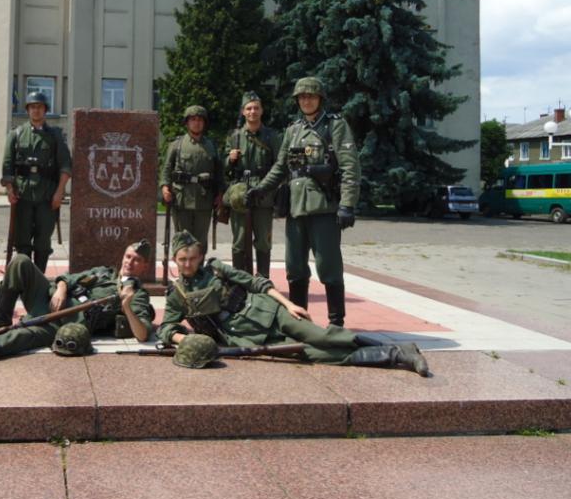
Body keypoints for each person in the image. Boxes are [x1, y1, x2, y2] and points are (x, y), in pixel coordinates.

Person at [157, 231, 429, 375]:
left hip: (271, 311)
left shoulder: (216, 268)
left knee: (321, 336)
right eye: (182, 259)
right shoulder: (177, 293)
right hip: (247, 336)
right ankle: (395, 355)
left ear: (200, 256)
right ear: (175, 260)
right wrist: (184, 339)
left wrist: (288, 304)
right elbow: (166, 328)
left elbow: (255, 283)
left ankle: (398, 350)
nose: (188, 264)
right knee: (314, 354)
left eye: (192, 258)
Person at [0, 239, 157, 370]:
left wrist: (126, 306)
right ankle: (0, 319)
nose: (130, 262)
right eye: (128, 256)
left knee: (19, 338)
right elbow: (68, 277)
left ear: (145, 266)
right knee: (21, 261)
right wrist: (61, 287)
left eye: (137, 260)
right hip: (47, 299)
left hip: (60, 323)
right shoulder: (102, 272)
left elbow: (142, 334)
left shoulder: (137, 295)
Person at [249, 76, 360, 327]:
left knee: (329, 266)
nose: (306, 101)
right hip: (296, 208)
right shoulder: (293, 130)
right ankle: (299, 320)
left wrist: (347, 204)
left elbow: (350, 167)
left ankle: (336, 322)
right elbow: (281, 167)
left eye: (310, 96)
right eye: (301, 97)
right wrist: (261, 189)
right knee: (295, 267)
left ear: (320, 99)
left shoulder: (335, 126)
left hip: (324, 208)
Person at [0, 90, 72, 272]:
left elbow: (66, 166)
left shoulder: (55, 135)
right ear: (27, 110)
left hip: (47, 195)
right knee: (22, 240)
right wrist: (10, 190)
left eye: (39, 107)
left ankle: (39, 278)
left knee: (42, 241)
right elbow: (7, 167)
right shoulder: (16, 134)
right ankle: (24, 277)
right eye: (32, 107)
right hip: (22, 195)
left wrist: (59, 192)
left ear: (45, 110)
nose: (36, 110)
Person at [224, 91, 281, 275]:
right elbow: (223, 167)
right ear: (243, 112)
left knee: (263, 240)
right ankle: (239, 280)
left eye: (256, 108)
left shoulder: (271, 136)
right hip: (240, 193)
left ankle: (262, 279)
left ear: (262, 110)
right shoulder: (235, 137)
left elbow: (280, 164)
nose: (252, 111)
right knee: (239, 240)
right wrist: (230, 159)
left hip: (264, 193)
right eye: (249, 108)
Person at [160, 105, 223, 251]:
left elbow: (219, 173)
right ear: (187, 123)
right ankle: (183, 266)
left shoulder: (212, 146)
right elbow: (166, 169)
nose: (197, 123)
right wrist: (165, 188)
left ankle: (199, 266)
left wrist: (220, 194)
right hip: (181, 199)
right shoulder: (177, 145)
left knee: (200, 242)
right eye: (193, 119)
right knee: (182, 241)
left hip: (204, 200)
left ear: (204, 123)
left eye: (200, 120)